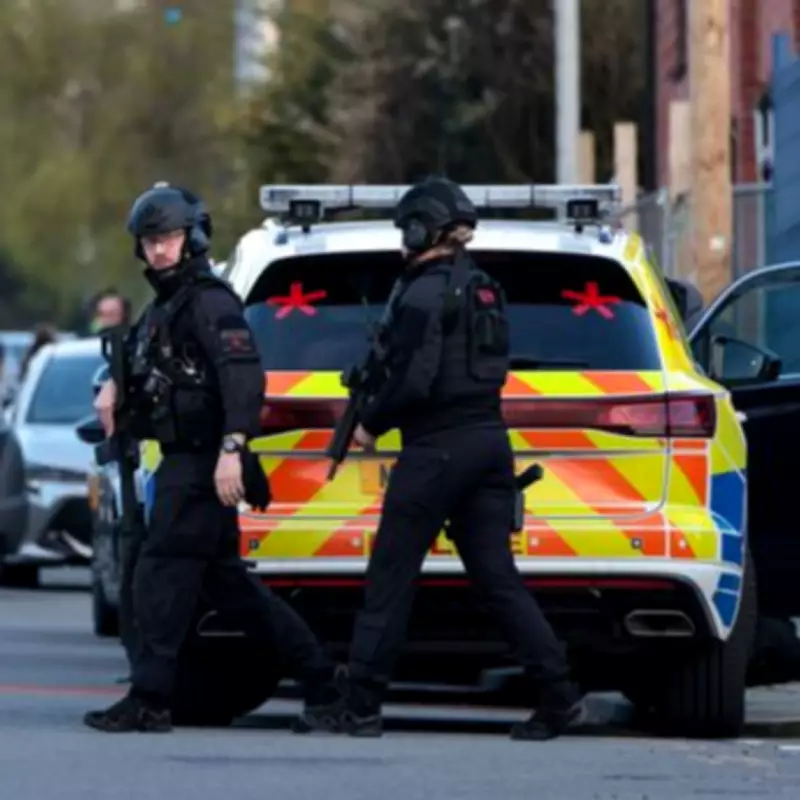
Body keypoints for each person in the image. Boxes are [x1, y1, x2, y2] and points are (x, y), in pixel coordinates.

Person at [296, 177, 584, 741]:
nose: (401, 241)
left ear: (419, 227)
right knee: (497, 577)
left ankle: (360, 705)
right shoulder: (482, 287)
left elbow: (414, 380)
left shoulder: (422, 293)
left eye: (405, 229)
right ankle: (559, 693)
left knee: (390, 576)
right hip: (488, 444)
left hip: (436, 450)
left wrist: (371, 422)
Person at [84, 183, 340, 732]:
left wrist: (232, 449)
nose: (158, 250)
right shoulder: (166, 306)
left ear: (192, 237)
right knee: (230, 588)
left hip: (202, 462)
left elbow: (243, 379)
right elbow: (153, 372)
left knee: (159, 575)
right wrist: (114, 387)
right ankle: (321, 676)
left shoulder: (210, 300)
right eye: (150, 240)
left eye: (169, 237)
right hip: (183, 458)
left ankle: (150, 698)